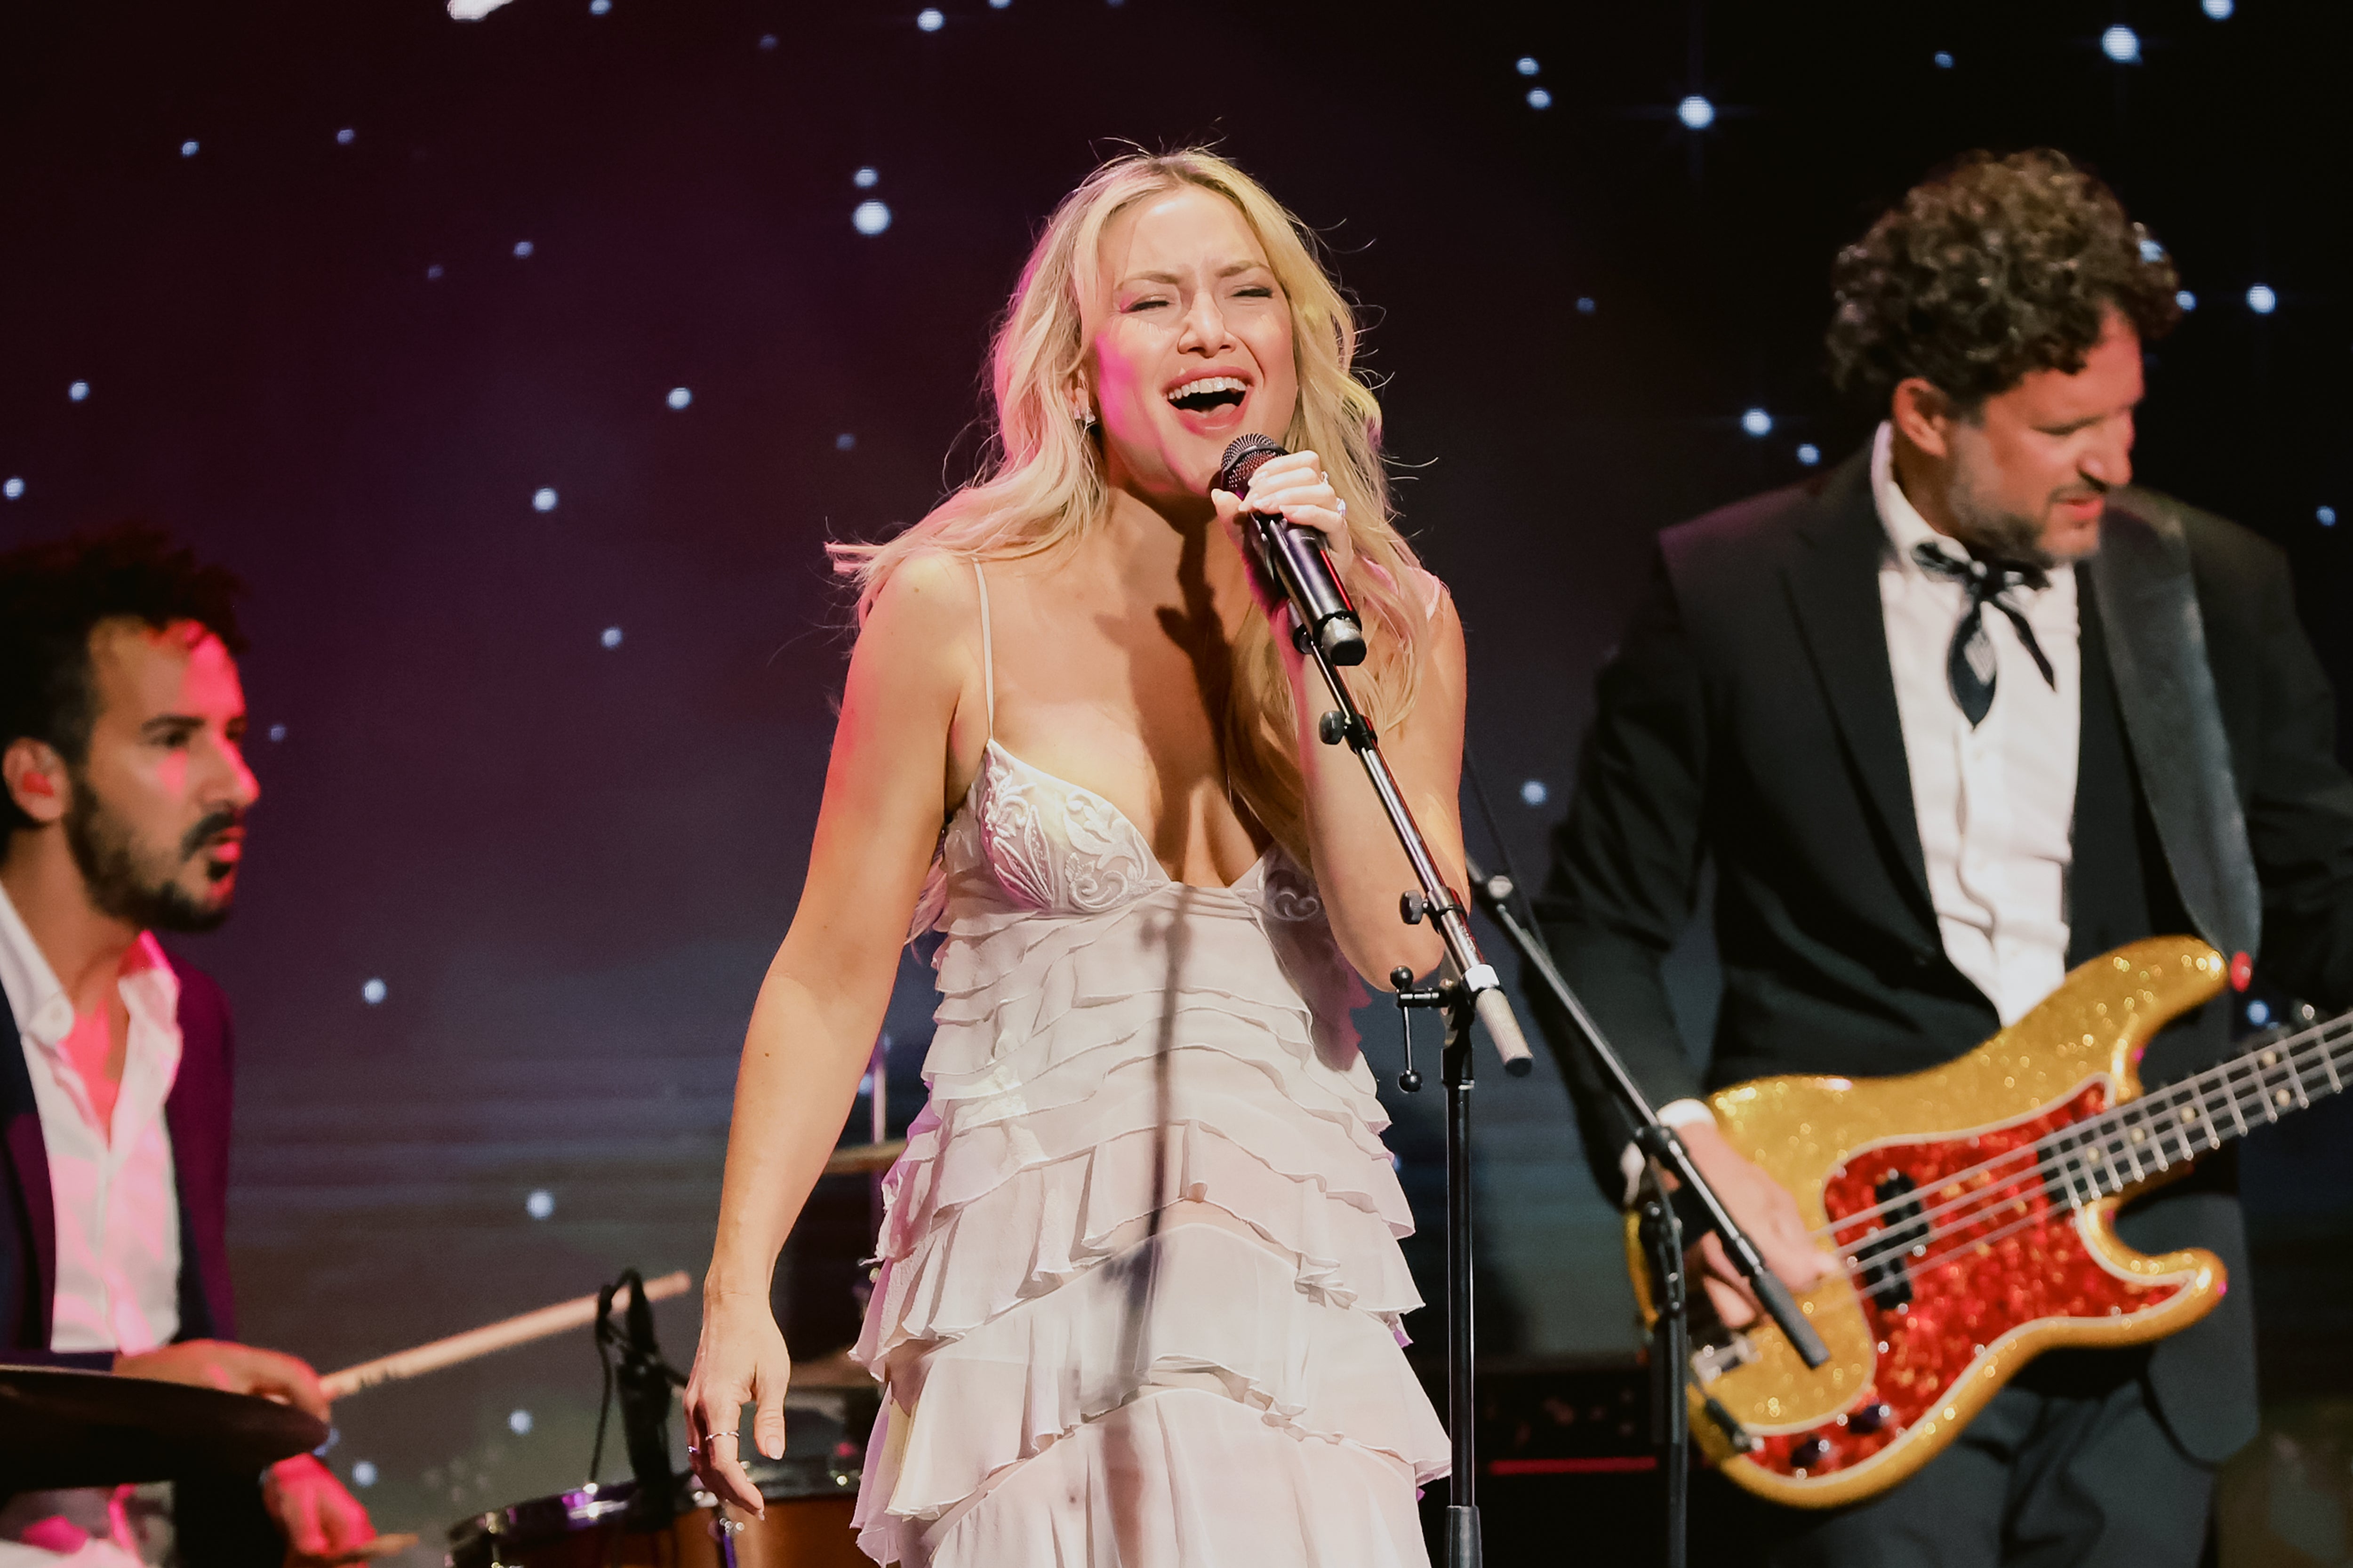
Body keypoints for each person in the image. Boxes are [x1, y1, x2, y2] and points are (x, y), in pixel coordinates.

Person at [1532, 148, 2353, 1568]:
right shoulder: (1726, 589)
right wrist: (1690, 1158)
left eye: (2125, 415)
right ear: (1924, 413)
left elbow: (2321, 899)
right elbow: (1598, 923)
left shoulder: (2213, 583)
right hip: (1864, 1295)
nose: (2116, 459)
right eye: (2064, 427)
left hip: (2146, 1319)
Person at [683, 149, 1461, 1566]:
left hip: (1287, 1321)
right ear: (1078, 363)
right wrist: (740, 1286)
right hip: (1033, 1317)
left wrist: (1309, 643)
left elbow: (1407, 947)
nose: (1210, 330)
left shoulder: (1389, 617)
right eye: (1156, 301)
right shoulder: (950, 605)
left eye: (1246, 294)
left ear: (1297, 339)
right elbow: (826, 974)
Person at [0, 528, 376, 1568]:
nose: (240, 782)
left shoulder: (189, 1018)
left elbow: (188, 1333)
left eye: (236, 732)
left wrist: (277, 1463)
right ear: (39, 777)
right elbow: (154, 1373)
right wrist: (139, 1390)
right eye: (175, 738)